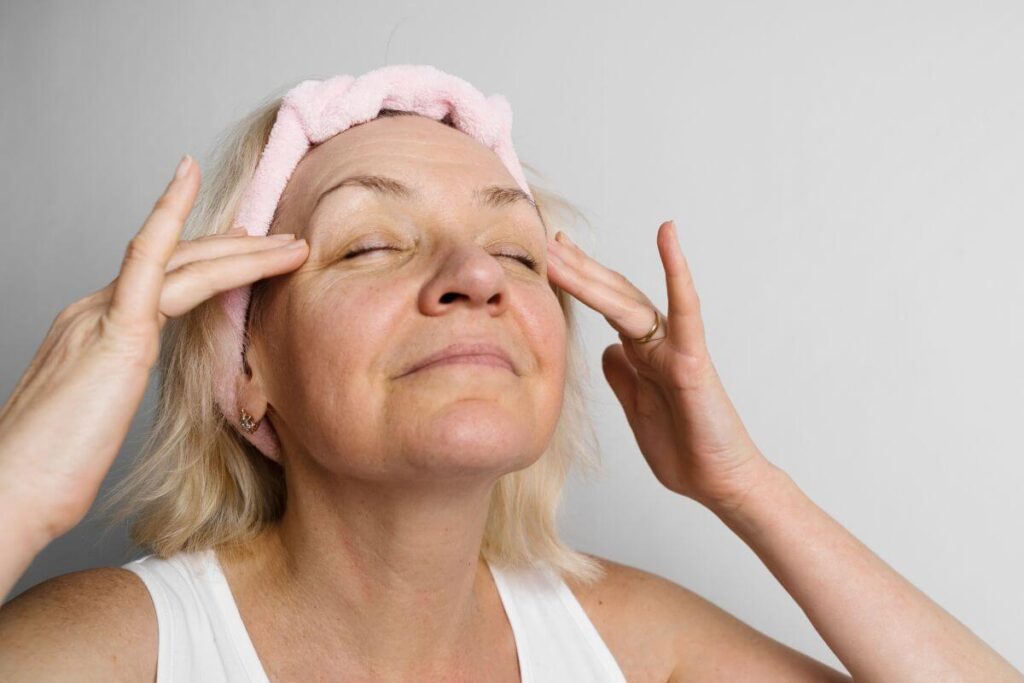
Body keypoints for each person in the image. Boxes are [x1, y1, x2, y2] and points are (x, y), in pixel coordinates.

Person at [0, 66, 1020, 682]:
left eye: (519, 250)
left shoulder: (629, 641)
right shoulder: (119, 648)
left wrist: (743, 483)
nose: (476, 275)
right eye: (367, 246)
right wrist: (25, 484)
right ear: (244, 368)